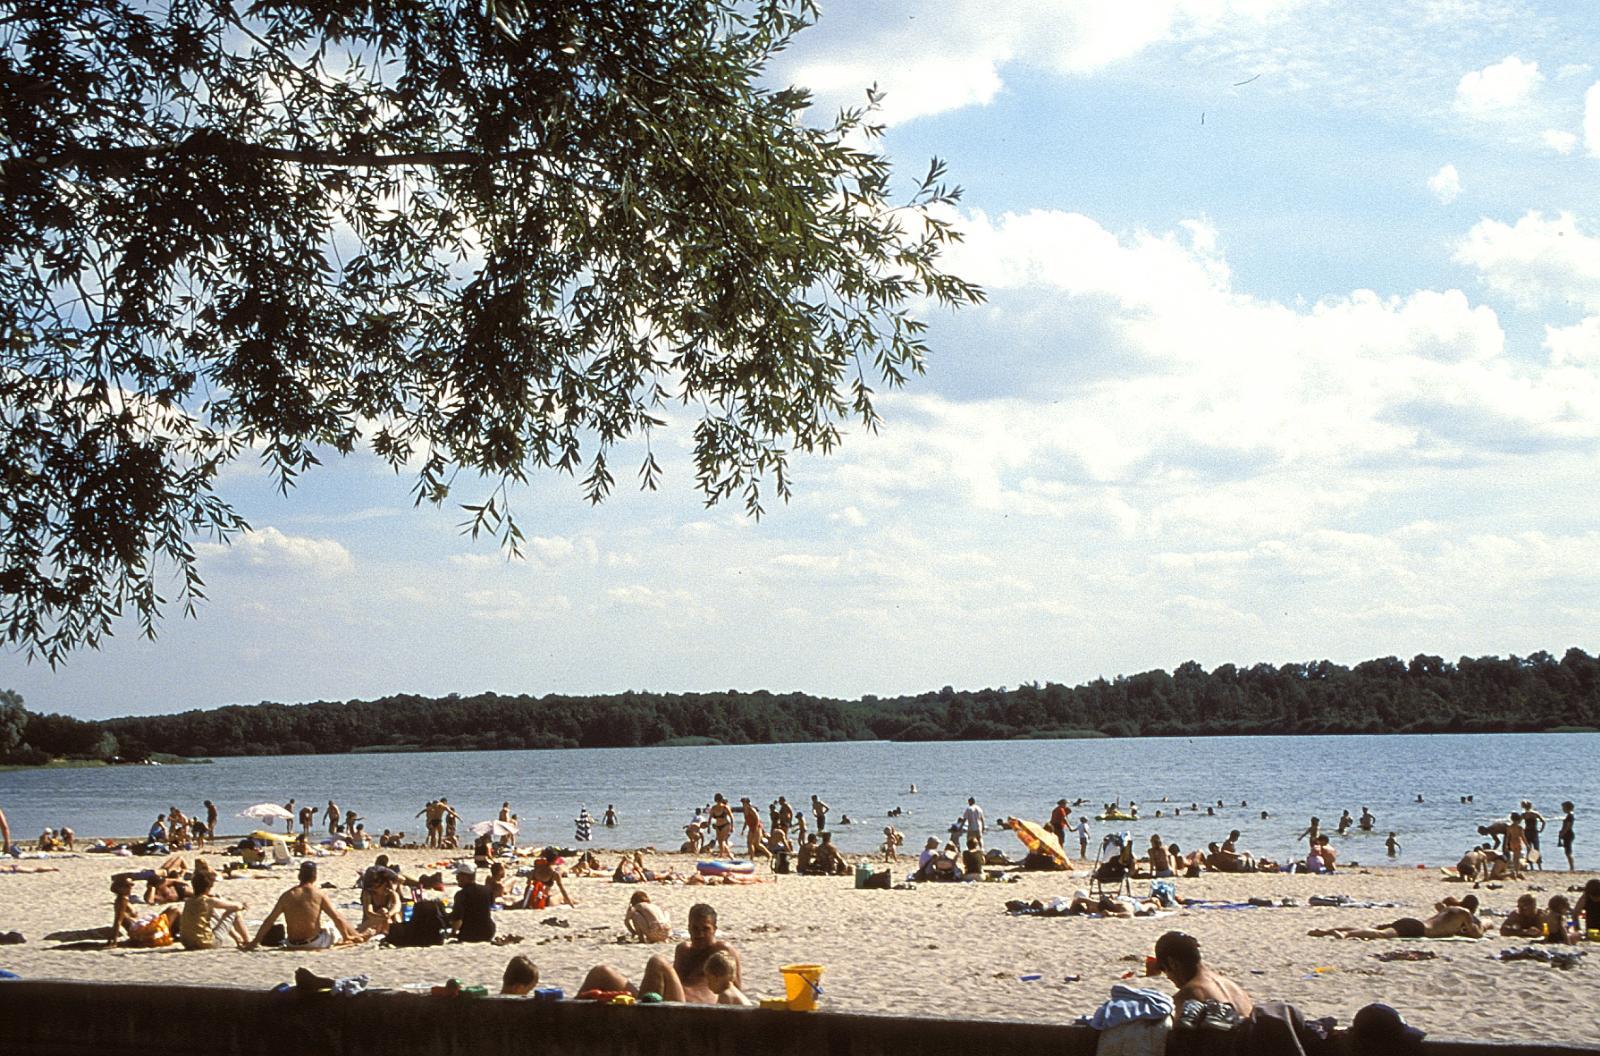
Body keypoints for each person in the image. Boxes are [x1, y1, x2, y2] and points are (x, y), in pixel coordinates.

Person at [582, 902, 739, 1004]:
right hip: (665, 1001)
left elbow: (736, 993)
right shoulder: (684, 950)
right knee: (601, 972)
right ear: (689, 928)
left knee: (657, 962)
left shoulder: (722, 951)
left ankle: (639, 1017)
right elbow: (673, 982)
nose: (699, 934)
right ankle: (563, 1022)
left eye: (705, 929)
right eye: (695, 928)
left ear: (714, 930)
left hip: (691, 1008)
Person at [247, 861, 366, 949]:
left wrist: (254, 942)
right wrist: (346, 936)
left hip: (291, 943)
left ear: (299, 876)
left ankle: (357, 936)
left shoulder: (287, 895)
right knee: (334, 923)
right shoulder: (318, 894)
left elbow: (270, 920)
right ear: (315, 876)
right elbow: (337, 918)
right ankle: (357, 936)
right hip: (314, 942)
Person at [1153, 931, 1254, 1018]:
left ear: (1172, 963)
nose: (1167, 976)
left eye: (1163, 968)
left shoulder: (1187, 996)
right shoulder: (1233, 987)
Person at [1310, 895, 1485, 940]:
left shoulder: (1450, 909)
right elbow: (1475, 934)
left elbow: (1439, 905)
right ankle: (1346, 934)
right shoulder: (1465, 914)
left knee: (1378, 930)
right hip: (1419, 930)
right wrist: (1480, 927)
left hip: (1414, 921)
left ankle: (1327, 931)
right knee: (1381, 935)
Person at [178, 869, 250, 949]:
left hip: (187, 943)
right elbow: (235, 907)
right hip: (205, 943)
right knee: (234, 912)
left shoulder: (189, 901)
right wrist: (242, 905)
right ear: (208, 887)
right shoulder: (208, 901)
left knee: (212, 912)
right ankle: (247, 940)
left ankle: (237, 938)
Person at [108, 874, 181, 948]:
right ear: (120, 888)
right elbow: (118, 921)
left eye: (131, 885)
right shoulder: (122, 900)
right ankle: (184, 934)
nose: (130, 888)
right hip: (140, 932)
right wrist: (114, 942)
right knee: (174, 910)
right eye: (127, 886)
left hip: (140, 930)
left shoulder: (123, 899)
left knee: (172, 911)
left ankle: (179, 933)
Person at [449, 866, 495, 943]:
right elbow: (491, 904)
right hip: (488, 933)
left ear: (465, 877)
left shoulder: (461, 894)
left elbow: (457, 918)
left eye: (458, 876)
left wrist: (453, 932)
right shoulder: (487, 890)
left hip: (468, 935)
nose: (457, 879)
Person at [1521, 801, 1546, 870]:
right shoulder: (1535, 814)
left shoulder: (1524, 814)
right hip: (1534, 832)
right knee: (1536, 849)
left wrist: (1521, 830)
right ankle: (1539, 866)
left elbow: (1518, 822)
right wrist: (1541, 830)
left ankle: (1531, 866)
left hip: (1527, 832)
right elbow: (1543, 821)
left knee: (1529, 849)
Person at [1557, 801, 1575, 872]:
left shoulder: (1570, 816)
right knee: (1567, 851)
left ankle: (1572, 867)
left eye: (1563, 807)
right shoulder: (1569, 815)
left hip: (1568, 834)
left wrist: (1562, 833)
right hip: (1567, 834)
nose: (1562, 809)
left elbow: (1567, 826)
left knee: (1568, 851)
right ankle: (1571, 867)